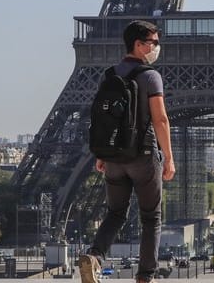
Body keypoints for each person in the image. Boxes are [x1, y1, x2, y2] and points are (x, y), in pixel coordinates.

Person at [79, 20, 176, 283]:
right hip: (142, 156)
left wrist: (102, 153)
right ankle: (145, 276)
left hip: (113, 157)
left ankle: (95, 257)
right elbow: (161, 119)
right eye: (154, 43)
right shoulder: (150, 76)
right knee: (151, 218)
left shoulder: (110, 75)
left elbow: (103, 119)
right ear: (139, 44)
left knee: (115, 213)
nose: (157, 47)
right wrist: (168, 157)